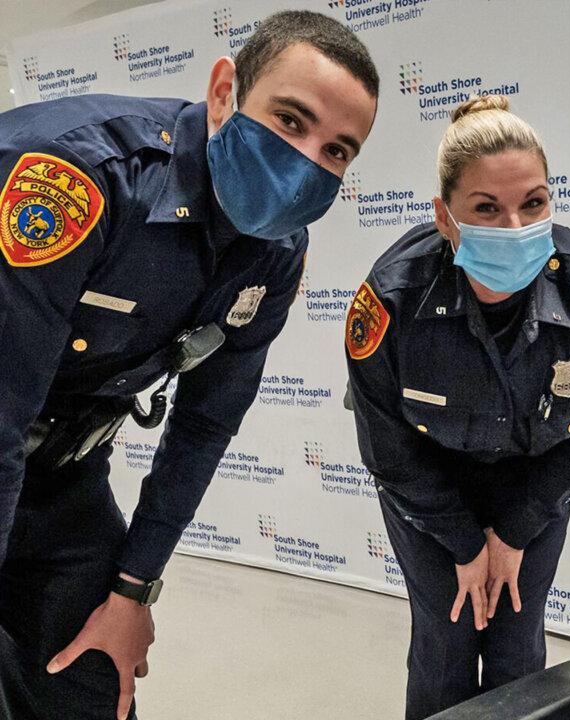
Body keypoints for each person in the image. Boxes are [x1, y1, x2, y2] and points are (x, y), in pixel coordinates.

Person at [0, 11, 379, 720]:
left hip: (60, 475)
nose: (305, 161)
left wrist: (131, 591)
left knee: (90, 686)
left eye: (337, 150)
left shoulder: (277, 254)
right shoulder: (77, 177)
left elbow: (205, 426)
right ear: (224, 91)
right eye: (290, 120)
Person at [346, 94, 570, 719]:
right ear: (445, 218)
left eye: (533, 203)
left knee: (516, 640)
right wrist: (463, 544)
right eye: (486, 208)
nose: (515, 227)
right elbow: (390, 452)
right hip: (427, 484)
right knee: (445, 640)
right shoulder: (391, 298)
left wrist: (512, 532)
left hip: (536, 480)